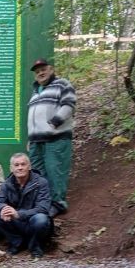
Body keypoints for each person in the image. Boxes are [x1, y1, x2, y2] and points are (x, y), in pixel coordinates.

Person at [27, 58, 76, 217]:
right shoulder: (36, 92)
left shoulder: (62, 84)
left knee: (55, 170)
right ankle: (44, 203)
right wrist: (31, 137)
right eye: (37, 71)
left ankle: (58, 203)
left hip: (56, 137)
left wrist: (53, 123)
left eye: (43, 69)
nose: (40, 72)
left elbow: (69, 105)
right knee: (38, 173)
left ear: (51, 69)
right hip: (36, 140)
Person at [0, 153, 53, 259]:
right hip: (15, 223)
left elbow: (43, 208)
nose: (20, 168)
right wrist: (3, 208)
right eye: (16, 165)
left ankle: (35, 247)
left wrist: (19, 214)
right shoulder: (6, 184)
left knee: (41, 219)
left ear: (29, 166)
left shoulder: (41, 183)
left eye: (23, 164)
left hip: (32, 221)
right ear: (11, 168)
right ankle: (17, 243)